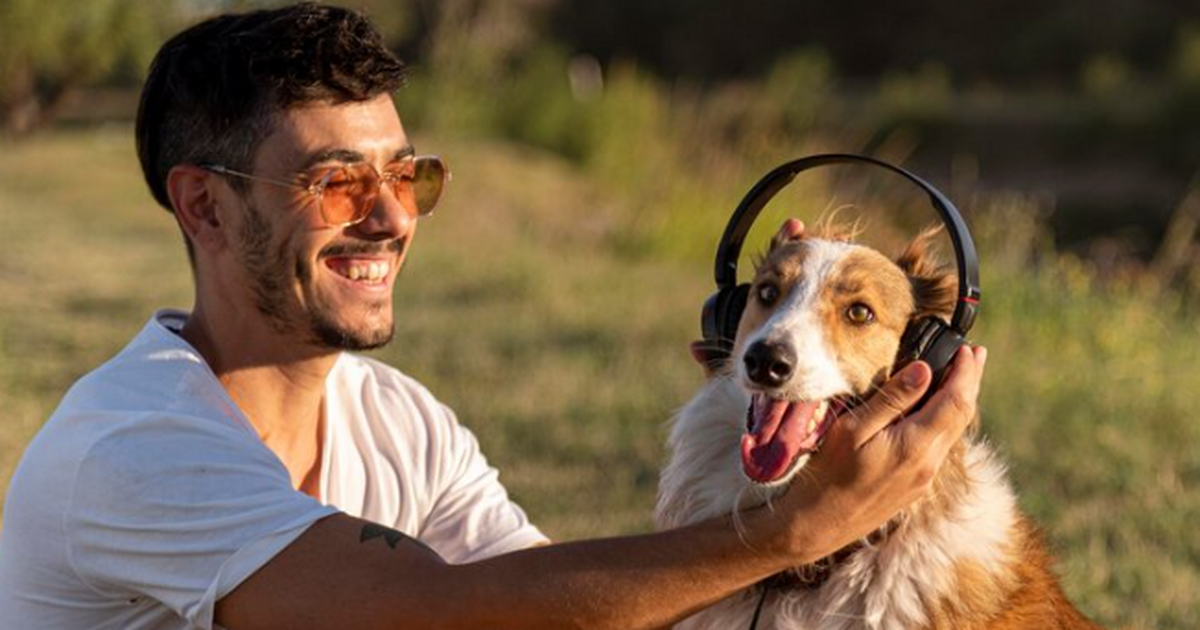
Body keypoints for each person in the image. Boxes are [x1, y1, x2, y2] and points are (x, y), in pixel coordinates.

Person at [0, 4, 987, 629]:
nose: (391, 218)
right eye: (339, 181)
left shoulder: (401, 422)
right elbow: (442, 612)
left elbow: (547, 605)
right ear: (204, 207)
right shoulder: (133, 449)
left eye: (408, 174)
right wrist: (795, 531)